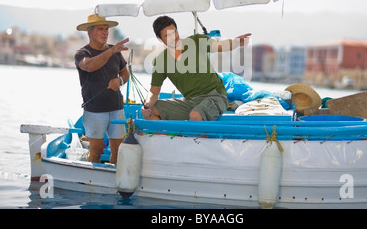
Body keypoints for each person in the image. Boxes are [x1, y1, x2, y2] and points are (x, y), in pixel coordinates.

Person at [141, 15, 251, 121]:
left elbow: (219, 45)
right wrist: (147, 105)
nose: (173, 37)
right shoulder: (160, 61)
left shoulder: (196, 41)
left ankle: (200, 139)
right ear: (159, 38)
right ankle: (168, 137)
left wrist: (236, 42)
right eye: (167, 36)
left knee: (195, 115)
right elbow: (154, 91)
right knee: (151, 112)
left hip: (215, 96)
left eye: (174, 32)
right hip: (190, 102)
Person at [75, 13, 130, 164]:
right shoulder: (82, 54)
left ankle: (112, 182)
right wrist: (111, 51)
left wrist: (119, 80)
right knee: (96, 151)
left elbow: (125, 73)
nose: (105, 32)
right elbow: (89, 66)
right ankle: (91, 181)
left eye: (106, 29)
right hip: (94, 110)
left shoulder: (115, 51)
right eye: (100, 29)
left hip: (116, 107)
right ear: (90, 32)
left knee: (118, 151)